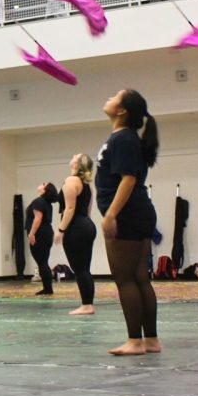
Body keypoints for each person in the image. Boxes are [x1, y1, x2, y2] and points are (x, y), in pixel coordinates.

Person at [96, 89, 161, 355]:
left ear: (122, 111)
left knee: (125, 280)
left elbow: (128, 179)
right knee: (139, 278)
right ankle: (151, 341)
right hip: (137, 212)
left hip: (128, 214)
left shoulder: (123, 139)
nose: (108, 98)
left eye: (114, 96)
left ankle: (135, 341)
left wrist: (111, 214)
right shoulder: (126, 138)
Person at [55, 153, 97, 315]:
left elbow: (70, 208)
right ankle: (88, 304)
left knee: (79, 269)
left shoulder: (71, 181)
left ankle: (86, 305)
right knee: (84, 268)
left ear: (77, 164)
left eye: (75, 156)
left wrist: (61, 230)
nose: (72, 156)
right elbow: (87, 209)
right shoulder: (86, 184)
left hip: (76, 227)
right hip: (86, 225)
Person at [26, 183, 59, 296]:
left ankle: (48, 289)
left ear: (45, 190)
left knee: (42, 262)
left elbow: (37, 219)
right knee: (43, 261)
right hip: (46, 233)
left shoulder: (38, 202)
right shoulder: (46, 203)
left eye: (44, 184)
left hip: (40, 234)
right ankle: (47, 288)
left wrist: (31, 234)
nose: (41, 184)